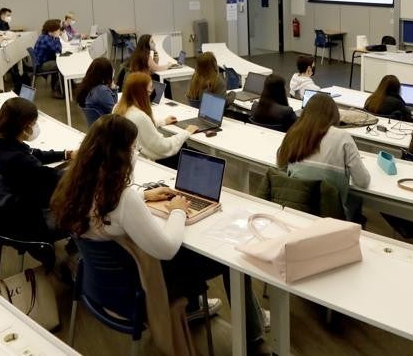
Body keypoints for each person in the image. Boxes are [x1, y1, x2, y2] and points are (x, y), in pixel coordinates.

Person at [50, 114, 264, 349]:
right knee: (230, 261)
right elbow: (167, 249)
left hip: (99, 284)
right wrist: (178, 210)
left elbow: (106, 212)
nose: (136, 151)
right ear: (119, 154)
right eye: (133, 147)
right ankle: (252, 333)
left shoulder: (75, 184)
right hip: (136, 290)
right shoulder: (123, 198)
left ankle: (193, 308)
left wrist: (144, 196)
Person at [0, 97, 75, 243]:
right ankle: (74, 257)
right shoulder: (20, 161)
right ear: (25, 128)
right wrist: (84, 168)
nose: (35, 128)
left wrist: (65, 154)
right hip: (22, 225)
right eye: (34, 124)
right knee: (82, 211)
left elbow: (33, 153)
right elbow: (55, 178)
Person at [276, 92, 369, 220]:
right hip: (330, 216)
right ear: (334, 114)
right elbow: (363, 181)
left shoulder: (294, 133)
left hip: (295, 211)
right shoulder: (343, 137)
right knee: (356, 200)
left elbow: (281, 167)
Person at [115, 72, 195, 165]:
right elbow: (163, 147)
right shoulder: (140, 116)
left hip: (127, 159)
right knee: (185, 148)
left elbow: (139, 125)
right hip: (144, 161)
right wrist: (186, 132)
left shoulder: (118, 108)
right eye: (150, 89)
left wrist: (163, 121)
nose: (152, 91)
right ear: (143, 93)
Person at [74, 56, 116, 124]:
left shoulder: (87, 86)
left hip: (95, 128)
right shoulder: (101, 91)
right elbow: (116, 110)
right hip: (106, 128)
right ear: (106, 73)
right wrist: (114, 88)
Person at [31, 19, 64, 98]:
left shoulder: (49, 37)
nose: (60, 31)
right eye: (58, 29)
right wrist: (57, 38)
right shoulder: (45, 39)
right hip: (41, 65)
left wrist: (57, 38)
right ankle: (57, 90)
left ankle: (60, 87)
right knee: (62, 65)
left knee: (60, 63)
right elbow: (58, 50)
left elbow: (58, 49)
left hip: (45, 61)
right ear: (52, 30)